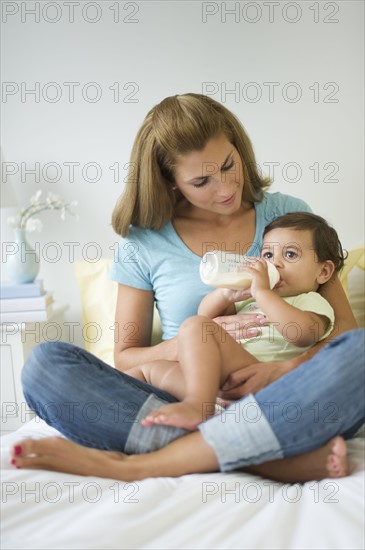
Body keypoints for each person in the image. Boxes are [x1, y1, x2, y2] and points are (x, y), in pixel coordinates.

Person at [13, 93, 364, 483]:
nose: (226, 187)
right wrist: (197, 341)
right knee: (46, 368)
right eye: (201, 181)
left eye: (229, 165)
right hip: (190, 396)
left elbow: (346, 331)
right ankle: (264, 459)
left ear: (237, 147)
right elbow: (128, 359)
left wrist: (285, 370)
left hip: (291, 395)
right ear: (170, 182)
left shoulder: (288, 218)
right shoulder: (142, 244)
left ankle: (149, 461)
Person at [127, 212, 344, 430]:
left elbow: (301, 334)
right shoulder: (250, 298)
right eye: (268, 255)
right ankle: (190, 407)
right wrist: (224, 296)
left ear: (323, 271)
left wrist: (262, 293)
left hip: (259, 384)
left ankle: (196, 407)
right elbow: (206, 318)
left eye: (289, 254)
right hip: (216, 385)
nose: (275, 263)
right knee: (146, 370)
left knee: (195, 326)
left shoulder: (311, 302)